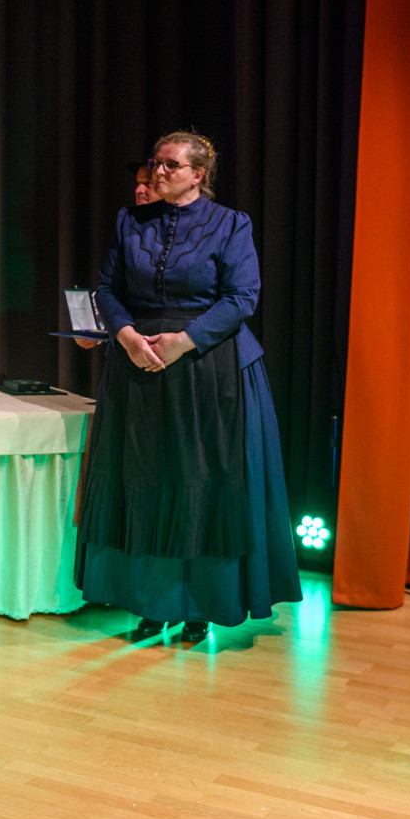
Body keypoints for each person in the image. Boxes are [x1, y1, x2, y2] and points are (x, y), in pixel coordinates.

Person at [75, 130, 302, 643]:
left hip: (207, 366)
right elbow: (107, 288)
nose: (157, 172)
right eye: (155, 163)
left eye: (170, 165)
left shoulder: (230, 224)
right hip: (139, 363)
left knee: (201, 481)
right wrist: (127, 336)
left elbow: (242, 297)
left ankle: (200, 606)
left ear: (198, 174)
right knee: (144, 480)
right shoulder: (130, 221)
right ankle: (149, 604)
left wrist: (184, 341)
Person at [76, 160, 161, 350]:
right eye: (137, 183)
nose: (138, 190)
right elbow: (112, 285)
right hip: (129, 351)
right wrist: (93, 326)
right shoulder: (128, 227)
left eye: (148, 184)